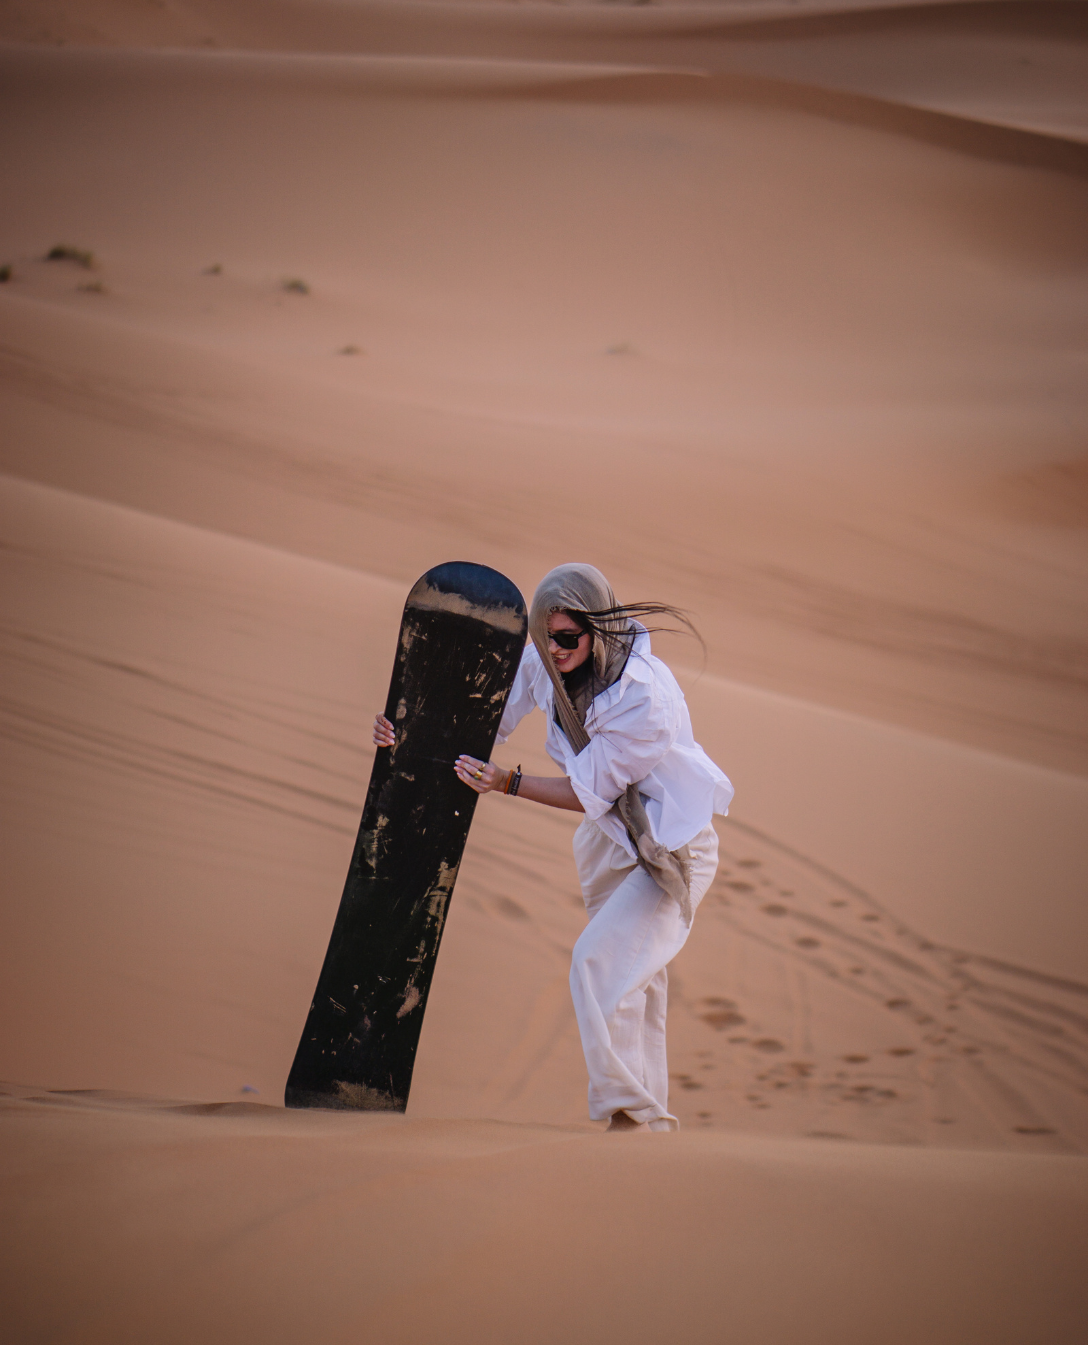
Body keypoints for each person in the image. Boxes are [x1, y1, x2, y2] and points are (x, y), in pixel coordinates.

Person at [373, 562, 733, 1132]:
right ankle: (649, 1131)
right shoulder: (544, 657)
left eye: (569, 638)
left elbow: (589, 791)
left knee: (596, 962)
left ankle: (625, 1114)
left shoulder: (646, 700)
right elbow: (486, 723)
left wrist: (508, 782)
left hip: (670, 846)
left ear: (599, 630)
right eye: (547, 636)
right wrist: (407, 734)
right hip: (607, 841)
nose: (556, 649)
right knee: (635, 983)